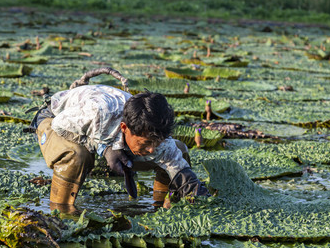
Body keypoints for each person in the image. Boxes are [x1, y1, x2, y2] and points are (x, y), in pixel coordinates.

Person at [30, 72, 209, 214]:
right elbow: (59, 125)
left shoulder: (154, 135)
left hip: (110, 137)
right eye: (146, 143)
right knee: (77, 155)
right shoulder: (97, 113)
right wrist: (104, 148)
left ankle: (159, 206)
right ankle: (61, 211)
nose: (152, 149)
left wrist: (203, 199)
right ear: (124, 127)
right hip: (57, 119)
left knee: (178, 149)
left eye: (156, 142)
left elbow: (181, 172)